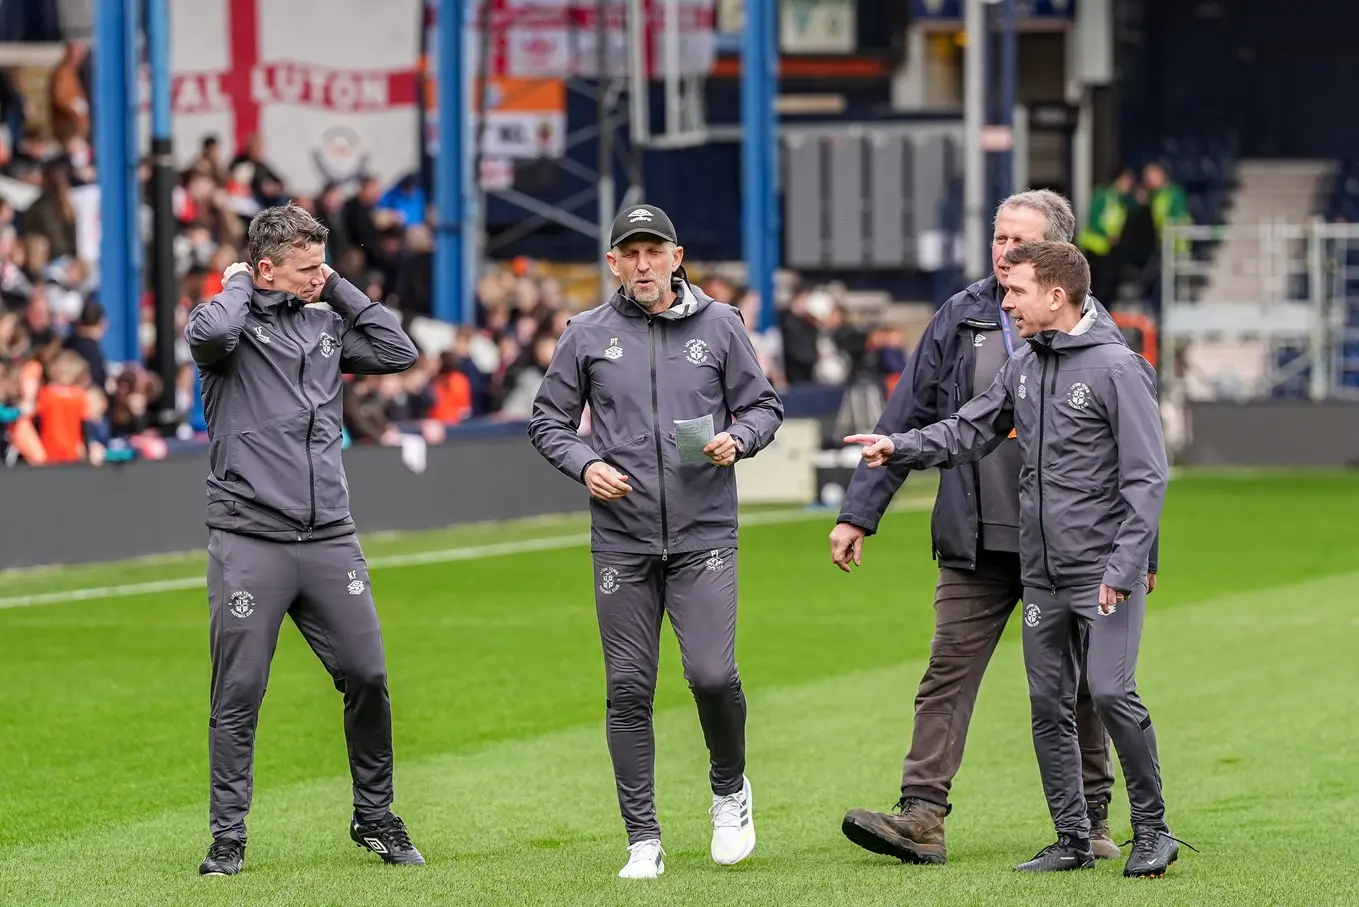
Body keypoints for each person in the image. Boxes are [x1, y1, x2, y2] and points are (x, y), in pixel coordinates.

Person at [845, 241, 1186, 878]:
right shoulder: (1026, 362)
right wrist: (897, 445)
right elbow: (968, 429)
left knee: (1111, 692)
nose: (1005, 299)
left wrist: (1123, 566)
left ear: (1056, 295)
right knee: (1047, 703)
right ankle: (1072, 840)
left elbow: (1147, 479)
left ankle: (1153, 828)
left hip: (1102, 572)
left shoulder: (1118, 368)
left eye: (1017, 290)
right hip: (1042, 571)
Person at [528, 204, 783, 880]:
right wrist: (585, 463)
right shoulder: (585, 333)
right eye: (628, 253)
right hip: (621, 540)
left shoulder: (720, 324)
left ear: (676, 257)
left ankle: (729, 790)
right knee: (627, 688)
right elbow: (547, 420)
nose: (642, 264)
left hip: (703, 535)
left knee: (709, 674)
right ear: (612, 263)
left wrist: (742, 437)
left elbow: (763, 406)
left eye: (654, 251)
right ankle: (643, 836)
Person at [185, 203, 423, 877]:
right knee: (239, 691)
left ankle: (373, 816)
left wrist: (339, 287)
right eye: (308, 267)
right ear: (266, 269)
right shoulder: (223, 332)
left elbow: (399, 350)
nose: (321, 276)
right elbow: (216, 326)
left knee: (369, 676)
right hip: (249, 540)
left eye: (323, 264)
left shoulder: (324, 323)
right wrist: (237, 282)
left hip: (328, 539)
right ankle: (227, 837)